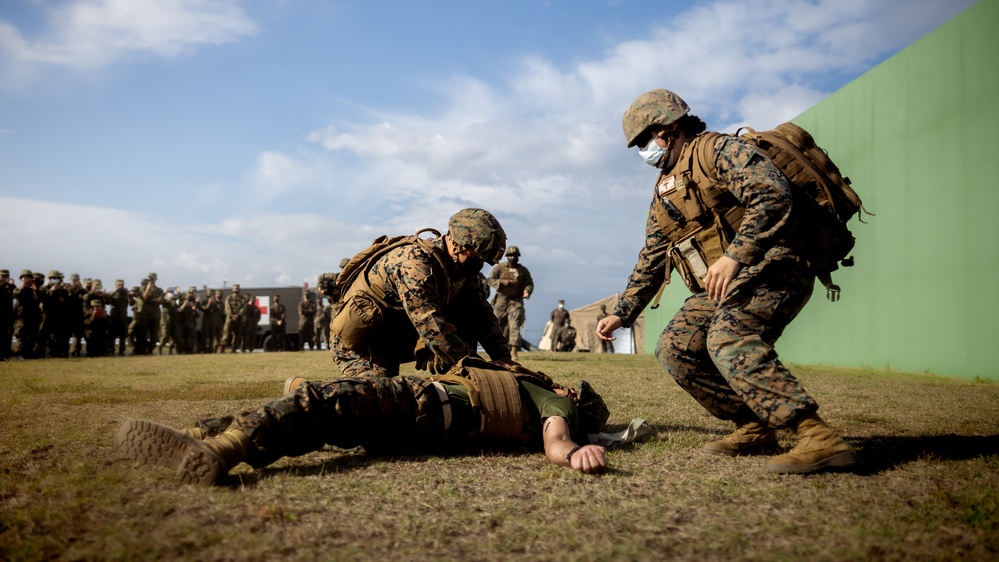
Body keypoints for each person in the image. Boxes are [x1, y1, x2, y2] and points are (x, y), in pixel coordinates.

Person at [596, 88, 857, 474]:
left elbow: (772, 196)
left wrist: (735, 256)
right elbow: (653, 255)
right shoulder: (665, 188)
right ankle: (754, 426)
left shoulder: (718, 151)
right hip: (726, 284)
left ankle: (817, 436)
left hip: (776, 266)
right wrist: (622, 313)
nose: (644, 151)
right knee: (675, 347)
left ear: (667, 128)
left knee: (728, 337)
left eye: (645, 139)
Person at [114, 358, 610, 486]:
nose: (566, 389)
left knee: (321, 401)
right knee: (322, 417)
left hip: (420, 405)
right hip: (418, 432)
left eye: (573, 392)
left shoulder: (552, 405)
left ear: (574, 399)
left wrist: (573, 452)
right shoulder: (531, 401)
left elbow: (556, 441)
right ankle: (202, 434)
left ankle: (219, 450)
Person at [327, 208, 515, 378]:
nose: (480, 264)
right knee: (381, 399)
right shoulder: (415, 265)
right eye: (477, 256)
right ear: (457, 243)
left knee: (465, 315)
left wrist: (503, 357)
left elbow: (480, 313)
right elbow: (431, 326)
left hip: (393, 335)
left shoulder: (460, 270)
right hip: (365, 343)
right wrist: (478, 367)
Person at [487, 246, 534, 360]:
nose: (512, 258)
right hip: (501, 301)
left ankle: (514, 351)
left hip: (516, 301)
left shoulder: (522, 270)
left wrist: (527, 291)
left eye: (515, 256)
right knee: (498, 326)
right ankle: (499, 351)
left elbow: (529, 283)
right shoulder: (500, 268)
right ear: (507, 257)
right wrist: (502, 282)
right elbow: (490, 280)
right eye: (510, 256)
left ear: (518, 257)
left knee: (514, 326)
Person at [13, 270, 41, 359]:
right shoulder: (19, 289)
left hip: (33, 315)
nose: (26, 279)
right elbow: (16, 294)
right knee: (21, 334)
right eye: (24, 278)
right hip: (22, 316)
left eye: (28, 277)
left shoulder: (34, 289)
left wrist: (35, 290)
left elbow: (39, 299)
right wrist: (23, 287)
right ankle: (21, 353)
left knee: (32, 334)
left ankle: (30, 353)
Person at [108, 279, 131, 356]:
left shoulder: (126, 294)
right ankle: (111, 350)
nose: (120, 287)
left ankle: (122, 350)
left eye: (122, 285)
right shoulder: (112, 293)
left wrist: (128, 295)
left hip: (123, 317)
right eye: (119, 285)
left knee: (123, 335)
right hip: (114, 317)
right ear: (116, 285)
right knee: (112, 335)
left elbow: (132, 303)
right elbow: (107, 300)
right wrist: (115, 291)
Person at [222, 284, 245, 353]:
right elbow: (227, 308)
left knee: (237, 334)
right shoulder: (229, 298)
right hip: (230, 319)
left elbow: (244, 308)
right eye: (235, 289)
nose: (236, 290)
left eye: (237, 289)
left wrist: (237, 315)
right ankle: (222, 348)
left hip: (239, 319)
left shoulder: (242, 299)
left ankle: (233, 348)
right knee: (226, 333)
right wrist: (232, 315)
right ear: (232, 290)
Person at [0, 269, 15, 361]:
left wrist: (11, 285)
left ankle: (5, 354)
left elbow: (16, 294)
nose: (3, 279)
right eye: (2, 277)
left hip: (7, 315)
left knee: (7, 335)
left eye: (6, 277)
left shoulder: (10, 287)